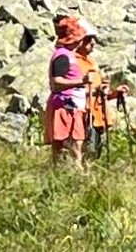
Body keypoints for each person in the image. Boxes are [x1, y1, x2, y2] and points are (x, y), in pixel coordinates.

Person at [74, 18, 128, 161]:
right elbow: (72, 90)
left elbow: (100, 92)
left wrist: (115, 93)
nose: (93, 43)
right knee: (86, 153)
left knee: (97, 153)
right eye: (88, 39)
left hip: (99, 116)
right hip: (85, 116)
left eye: (93, 39)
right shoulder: (73, 61)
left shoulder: (92, 62)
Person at [43, 16, 91, 168]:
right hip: (66, 105)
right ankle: (77, 170)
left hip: (70, 105)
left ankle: (63, 171)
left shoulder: (66, 54)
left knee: (65, 144)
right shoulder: (63, 56)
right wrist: (81, 82)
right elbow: (56, 82)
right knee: (73, 143)